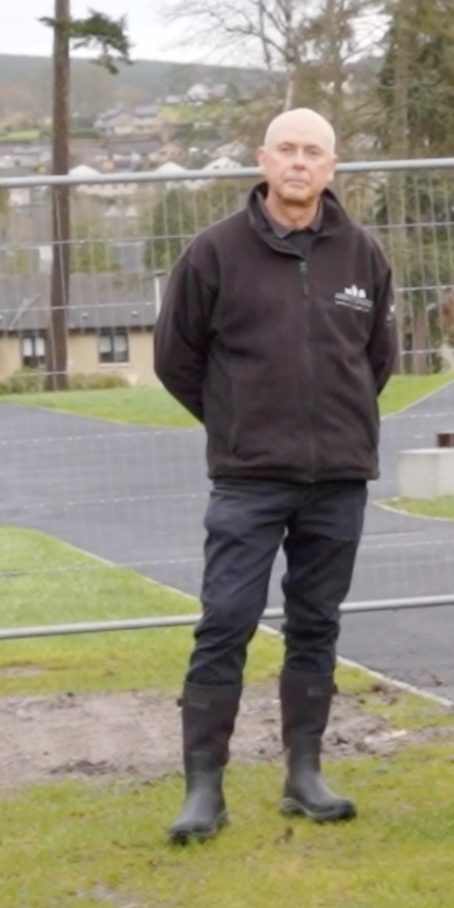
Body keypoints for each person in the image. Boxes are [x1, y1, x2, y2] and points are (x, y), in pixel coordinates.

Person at [153, 107, 395, 844]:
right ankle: (204, 787)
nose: (298, 162)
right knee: (225, 620)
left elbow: (375, 360)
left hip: (338, 478)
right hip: (248, 479)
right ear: (262, 160)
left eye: (313, 152)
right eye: (286, 149)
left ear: (332, 166)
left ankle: (304, 773)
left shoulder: (363, 256)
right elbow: (176, 359)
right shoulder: (214, 253)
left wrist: (338, 423)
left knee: (316, 622)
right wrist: (237, 422)